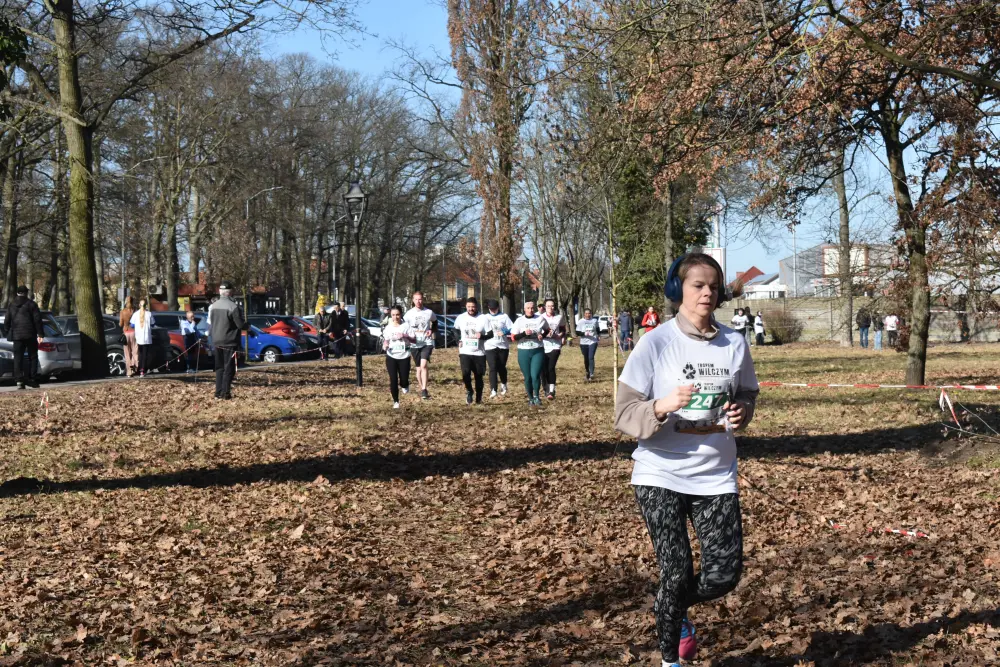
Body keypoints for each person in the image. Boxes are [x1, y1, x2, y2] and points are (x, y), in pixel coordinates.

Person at [615, 252, 758, 667]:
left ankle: (671, 605)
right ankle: (670, 658)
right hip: (659, 472)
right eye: (698, 285)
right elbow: (623, 414)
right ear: (678, 290)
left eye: (713, 286)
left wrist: (743, 411)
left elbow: (747, 393)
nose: (707, 293)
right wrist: (661, 405)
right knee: (676, 570)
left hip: (716, 475)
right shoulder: (655, 342)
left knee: (723, 575)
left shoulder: (734, 342)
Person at [208, 281, 248, 400]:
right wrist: (248, 326)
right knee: (229, 368)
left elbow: (211, 322)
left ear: (220, 292)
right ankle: (225, 393)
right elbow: (240, 325)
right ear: (230, 292)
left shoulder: (213, 306)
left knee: (219, 368)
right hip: (230, 341)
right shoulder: (233, 307)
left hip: (216, 340)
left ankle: (218, 392)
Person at [3, 285, 43, 389]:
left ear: (17, 293)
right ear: (26, 293)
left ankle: (19, 380)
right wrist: (40, 334)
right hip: (30, 334)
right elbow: (37, 320)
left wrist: (8, 331)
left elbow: (7, 320)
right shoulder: (31, 304)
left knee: (18, 358)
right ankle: (32, 378)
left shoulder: (11, 305)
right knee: (32, 357)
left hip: (17, 335)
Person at [455, 296, 492, 405]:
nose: (471, 309)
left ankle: (479, 398)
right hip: (465, 351)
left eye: (473, 307)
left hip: (479, 352)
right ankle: (469, 391)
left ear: (477, 307)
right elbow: (455, 330)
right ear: (466, 306)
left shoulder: (483, 318)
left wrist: (482, 336)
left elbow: (491, 334)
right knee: (465, 373)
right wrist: (458, 340)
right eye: (469, 307)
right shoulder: (461, 318)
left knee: (478, 376)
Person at [510, 301, 549, 406]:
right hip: (524, 351)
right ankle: (530, 398)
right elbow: (513, 337)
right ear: (524, 309)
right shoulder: (519, 321)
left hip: (537, 350)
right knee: (527, 377)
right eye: (528, 308)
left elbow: (547, 330)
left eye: (532, 308)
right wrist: (524, 333)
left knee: (535, 375)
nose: (530, 310)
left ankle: (537, 396)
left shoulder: (540, 318)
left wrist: (542, 335)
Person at [403, 290, 437, 400]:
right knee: (418, 369)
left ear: (423, 299)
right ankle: (422, 388)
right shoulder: (408, 314)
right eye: (416, 299)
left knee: (423, 365)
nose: (418, 301)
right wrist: (407, 336)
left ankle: (424, 389)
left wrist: (431, 330)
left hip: (426, 342)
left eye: (420, 299)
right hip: (414, 344)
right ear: (413, 300)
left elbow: (435, 322)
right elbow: (404, 327)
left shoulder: (429, 312)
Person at [381, 305, 415, 409]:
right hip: (391, 356)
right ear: (390, 315)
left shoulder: (406, 326)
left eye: (397, 315)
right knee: (393, 379)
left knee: (403, 379)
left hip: (404, 356)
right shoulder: (388, 327)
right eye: (393, 315)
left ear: (401, 314)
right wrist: (385, 345)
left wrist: (405, 336)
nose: (395, 317)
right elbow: (386, 340)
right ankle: (396, 401)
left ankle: (405, 385)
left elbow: (414, 340)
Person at [483, 299, 513, 398]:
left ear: (498, 308)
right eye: (491, 309)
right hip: (489, 345)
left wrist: (504, 332)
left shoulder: (504, 316)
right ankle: (493, 390)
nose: (493, 311)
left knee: (501, 367)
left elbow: (512, 328)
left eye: (494, 309)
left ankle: (504, 383)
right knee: (492, 367)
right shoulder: (485, 317)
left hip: (502, 346)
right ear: (488, 308)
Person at [540, 298, 566, 400]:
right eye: (548, 306)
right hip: (543, 345)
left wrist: (560, 335)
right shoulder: (541, 317)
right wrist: (544, 335)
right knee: (543, 369)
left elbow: (563, 330)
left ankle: (552, 390)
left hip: (555, 345)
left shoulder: (559, 317)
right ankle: (545, 387)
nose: (551, 308)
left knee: (551, 367)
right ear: (545, 307)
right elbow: (537, 331)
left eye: (552, 306)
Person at [129, 299, 154, 378]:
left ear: (139, 305)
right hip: (147, 337)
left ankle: (139, 369)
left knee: (140, 353)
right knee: (145, 354)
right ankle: (143, 370)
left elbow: (132, 325)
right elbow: (153, 324)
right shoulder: (149, 314)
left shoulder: (135, 314)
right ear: (146, 305)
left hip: (138, 337)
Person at [576, 307, 599, 380]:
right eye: (586, 313)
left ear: (591, 314)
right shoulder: (581, 322)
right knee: (586, 358)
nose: (588, 315)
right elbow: (577, 332)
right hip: (583, 343)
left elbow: (598, 329)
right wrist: (584, 333)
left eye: (589, 313)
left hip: (593, 341)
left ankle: (591, 373)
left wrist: (598, 335)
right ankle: (587, 372)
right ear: (584, 314)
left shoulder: (594, 321)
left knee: (591, 357)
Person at [119, 296, 138, 377]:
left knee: (127, 353)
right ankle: (135, 368)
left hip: (126, 332)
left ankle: (129, 372)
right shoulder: (135, 311)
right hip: (134, 332)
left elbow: (120, 324)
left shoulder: (122, 312)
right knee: (135, 352)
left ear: (126, 302)